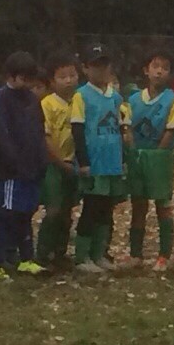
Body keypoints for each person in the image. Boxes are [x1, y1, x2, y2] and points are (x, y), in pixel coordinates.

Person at [0, 52, 49, 281]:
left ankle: (26, 259)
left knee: (24, 215)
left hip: (31, 170)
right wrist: (16, 163)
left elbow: (39, 132)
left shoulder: (31, 100)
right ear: (11, 76)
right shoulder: (1, 100)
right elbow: (0, 136)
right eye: (24, 78)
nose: (28, 83)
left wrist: (40, 161)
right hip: (10, 172)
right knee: (5, 214)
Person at [71, 44, 128, 274]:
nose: (101, 70)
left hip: (112, 161)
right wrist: (83, 162)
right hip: (93, 162)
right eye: (95, 65)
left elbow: (121, 127)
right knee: (92, 208)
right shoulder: (81, 96)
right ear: (85, 68)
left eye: (105, 65)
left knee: (106, 210)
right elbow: (77, 129)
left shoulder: (115, 97)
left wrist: (122, 158)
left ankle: (99, 253)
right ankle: (81, 256)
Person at [126, 51, 174, 271]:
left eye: (165, 68)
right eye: (155, 66)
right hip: (137, 157)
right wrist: (132, 149)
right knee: (138, 205)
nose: (159, 71)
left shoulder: (172, 101)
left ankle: (164, 255)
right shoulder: (133, 100)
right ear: (146, 70)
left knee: (163, 206)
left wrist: (156, 154)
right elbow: (128, 128)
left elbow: (171, 130)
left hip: (160, 158)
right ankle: (135, 254)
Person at [37, 53, 81, 268]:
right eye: (63, 76)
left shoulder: (80, 101)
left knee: (67, 210)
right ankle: (43, 253)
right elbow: (45, 138)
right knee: (53, 209)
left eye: (72, 75)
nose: (69, 80)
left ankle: (61, 253)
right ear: (52, 81)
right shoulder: (47, 104)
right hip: (53, 165)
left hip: (74, 163)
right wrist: (59, 163)